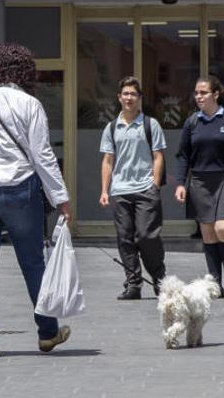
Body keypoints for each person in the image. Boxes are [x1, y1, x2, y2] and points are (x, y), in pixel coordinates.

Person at [0, 43, 72, 359]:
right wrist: (61, 197)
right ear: (24, 72)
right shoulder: (29, 104)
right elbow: (42, 155)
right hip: (19, 189)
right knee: (33, 261)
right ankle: (48, 333)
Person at [174, 76, 224, 299]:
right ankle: (214, 283)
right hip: (199, 182)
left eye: (203, 92)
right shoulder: (192, 122)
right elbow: (183, 156)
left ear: (215, 94)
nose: (198, 96)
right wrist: (180, 182)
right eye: (196, 93)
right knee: (208, 233)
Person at [99, 76, 167, 300]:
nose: (129, 98)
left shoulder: (150, 124)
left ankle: (160, 280)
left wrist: (155, 186)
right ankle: (133, 284)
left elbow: (158, 157)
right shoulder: (111, 127)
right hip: (120, 191)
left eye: (133, 94)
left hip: (145, 189)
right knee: (125, 238)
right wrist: (105, 190)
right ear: (119, 97)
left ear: (140, 98)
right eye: (125, 94)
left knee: (147, 236)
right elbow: (108, 161)